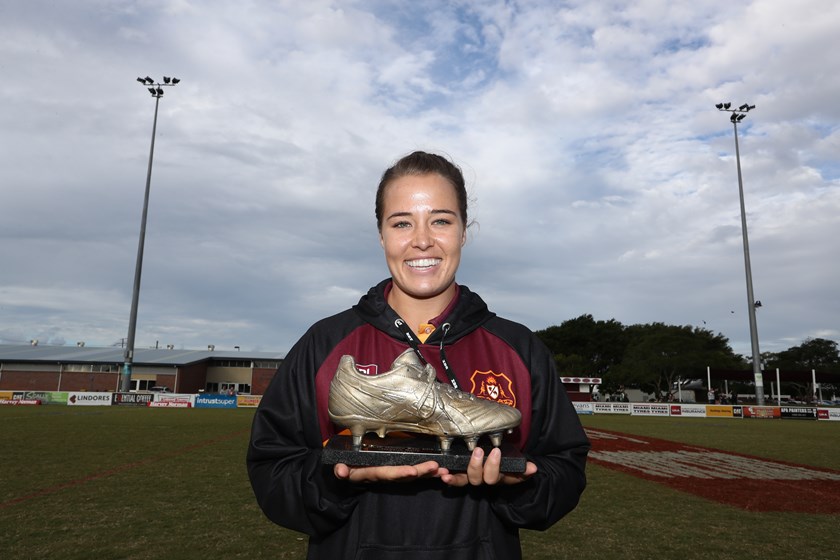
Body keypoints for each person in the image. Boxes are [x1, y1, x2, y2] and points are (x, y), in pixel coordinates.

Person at [247, 151, 590, 559]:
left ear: (464, 231)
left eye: (441, 220)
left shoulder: (519, 348)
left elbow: (565, 470)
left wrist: (519, 486)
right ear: (381, 234)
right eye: (402, 222)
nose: (422, 240)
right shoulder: (324, 343)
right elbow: (271, 471)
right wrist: (337, 479)